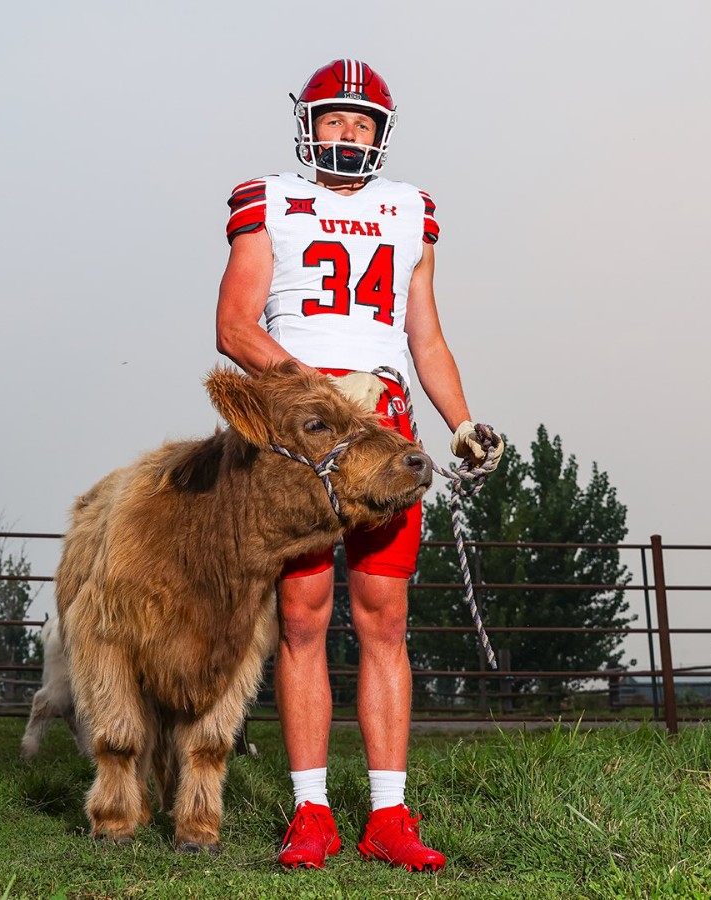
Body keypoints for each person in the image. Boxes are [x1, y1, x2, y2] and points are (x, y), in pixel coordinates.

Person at [214, 58, 502, 872]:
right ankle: (311, 812)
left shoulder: (410, 210)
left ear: (381, 133)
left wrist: (461, 421)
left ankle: (388, 815)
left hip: (385, 423)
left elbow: (425, 336)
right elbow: (234, 326)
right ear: (309, 126)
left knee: (385, 619)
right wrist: (320, 394)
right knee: (302, 618)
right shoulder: (269, 199)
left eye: (361, 122)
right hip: (302, 429)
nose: (347, 133)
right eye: (334, 119)